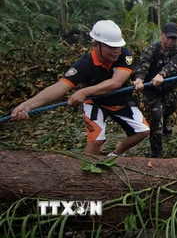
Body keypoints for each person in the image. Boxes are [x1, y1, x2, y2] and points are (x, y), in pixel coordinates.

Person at [10, 20, 150, 156]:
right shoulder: (84, 64)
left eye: (118, 46)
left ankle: (114, 155)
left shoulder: (125, 55)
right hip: (95, 102)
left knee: (143, 131)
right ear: (96, 45)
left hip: (119, 101)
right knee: (96, 141)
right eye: (111, 47)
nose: (116, 51)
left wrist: (83, 91)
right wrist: (26, 105)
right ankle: (84, 173)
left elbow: (116, 83)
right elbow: (60, 86)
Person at [133, 22, 177, 158]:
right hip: (152, 89)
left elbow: (173, 64)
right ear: (161, 35)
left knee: (171, 107)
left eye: (174, 39)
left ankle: (164, 125)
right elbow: (143, 64)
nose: (170, 41)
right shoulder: (151, 49)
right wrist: (139, 79)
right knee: (156, 117)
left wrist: (162, 74)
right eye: (168, 37)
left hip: (168, 87)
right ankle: (156, 154)